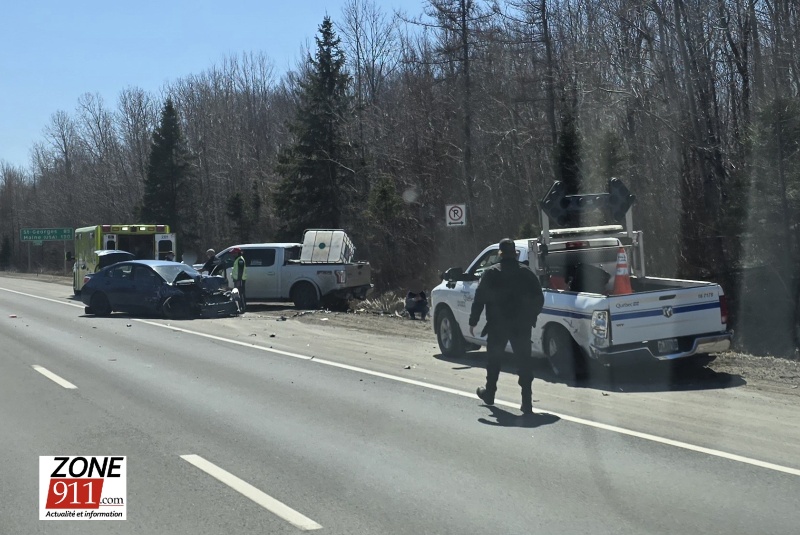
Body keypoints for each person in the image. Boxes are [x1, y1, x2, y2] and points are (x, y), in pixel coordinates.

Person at [469, 238, 544, 414]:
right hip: (521, 325)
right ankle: (527, 402)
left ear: (500, 254)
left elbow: (479, 298)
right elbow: (539, 298)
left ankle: (489, 393)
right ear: (515, 254)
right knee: (524, 362)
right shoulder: (526, 273)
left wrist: (473, 320)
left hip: (497, 324)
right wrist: (531, 317)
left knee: (494, 360)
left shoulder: (492, 273)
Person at [231, 247, 247, 312]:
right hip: (237, 279)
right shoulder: (237, 259)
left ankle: (243, 308)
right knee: (237, 294)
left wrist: (239, 280)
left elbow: (240, 271)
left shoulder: (240, 260)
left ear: (237, 253)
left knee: (241, 294)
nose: (233, 254)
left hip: (240, 280)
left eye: (234, 253)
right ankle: (239, 307)